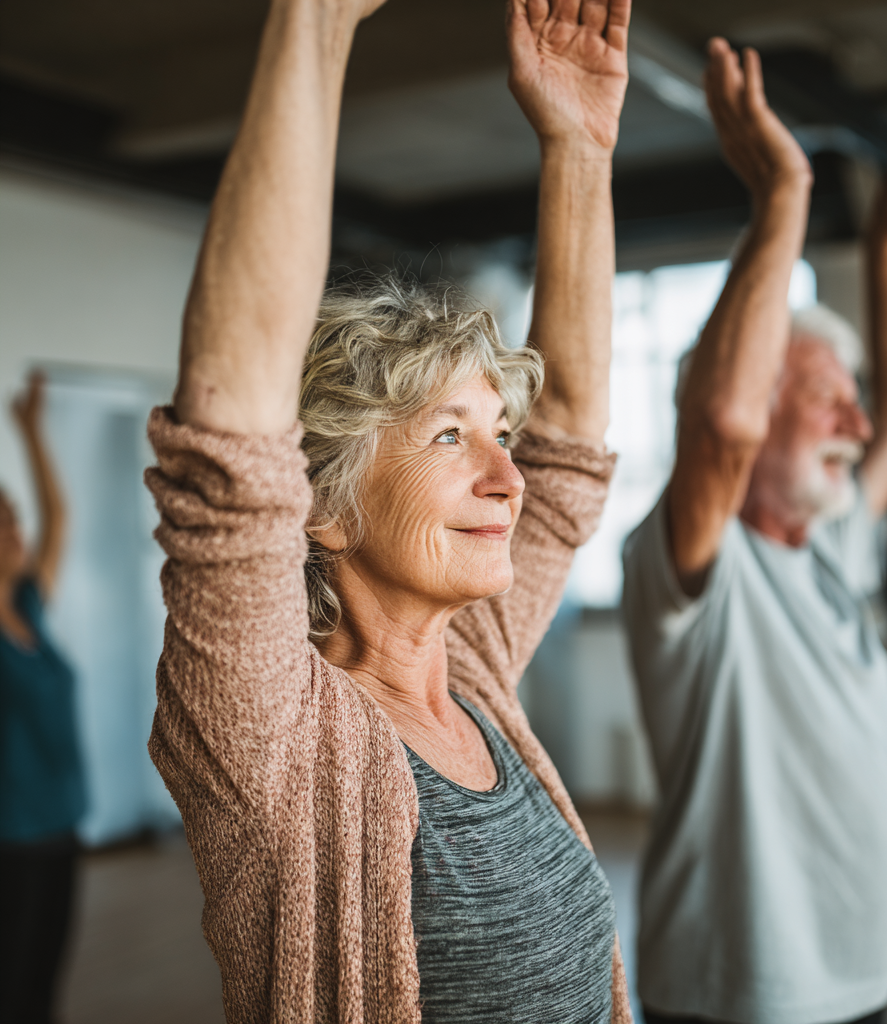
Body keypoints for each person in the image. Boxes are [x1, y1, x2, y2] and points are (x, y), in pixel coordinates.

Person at [144, 0, 634, 1020]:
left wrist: (579, 148)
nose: (509, 476)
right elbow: (230, 429)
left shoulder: (475, 673)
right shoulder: (273, 733)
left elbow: (572, 448)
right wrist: (313, 21)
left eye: (499, 433)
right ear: (320, 504)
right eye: (449, 435)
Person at [621, 37, 887, 1024]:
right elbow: (716, 423)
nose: (855, 424)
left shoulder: (833, 545)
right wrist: (784, 199)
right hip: (746, 999)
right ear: (758, 409)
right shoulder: (694, 569)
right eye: (823, 399)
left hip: (863, 982)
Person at [0, 372, 87, 1024]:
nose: (15, 533)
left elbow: (60, 517)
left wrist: (30, 430)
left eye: (12, 519)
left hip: (61, 825)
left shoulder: (28, 605)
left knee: (43, 985)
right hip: (10, 839)